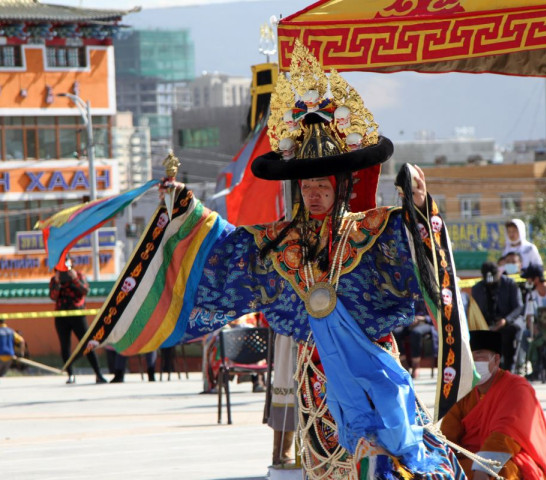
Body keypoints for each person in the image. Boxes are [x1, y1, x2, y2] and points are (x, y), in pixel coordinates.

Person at [76, 43, 472, 480]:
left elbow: (415, 243)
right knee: (329, 464)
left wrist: (417, 204)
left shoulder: (373, 230)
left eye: (323, 185)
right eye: (307, 187)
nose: (314, 193)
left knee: (391, 463)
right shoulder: (278, 242)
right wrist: (184, 207)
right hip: (315, 371)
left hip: (373, 361)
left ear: (341, 186)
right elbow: (222, 247)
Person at [441, 330, 546, 479]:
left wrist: (484, 468)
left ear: (496, 359)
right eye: (469, 357)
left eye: (479, 355)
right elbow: (448, 434)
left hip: (508, 458)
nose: (473, 361)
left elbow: (507, 433)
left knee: (501, 472)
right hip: (471, 458)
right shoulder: (464, 390)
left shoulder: (516, 387)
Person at [49, 255, 106, 384]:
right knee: (65, 346)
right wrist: (57, 282)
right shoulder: (54, 279)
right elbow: (53, 296)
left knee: (87, 343)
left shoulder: (79, 275)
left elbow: (85, 291)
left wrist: (74, 279)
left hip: (78, 314)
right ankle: (70, 375)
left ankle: (98, 374)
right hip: (61, 316)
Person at [471, 261, 523, 371]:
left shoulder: (510, 284)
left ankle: (508, 368)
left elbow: (518, 307)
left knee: (507, 335)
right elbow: (476, 311)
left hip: (507, 323)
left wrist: (505, 320)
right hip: (486, 324)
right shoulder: (477, 289)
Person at [393, 301, 437, 379]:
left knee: (416, 333)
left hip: (426, 323)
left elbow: (437, 315)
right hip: (409, 321)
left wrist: (422, 319)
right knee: (396, 332)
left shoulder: (430, 295)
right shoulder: (411, 292)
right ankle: (403, 362)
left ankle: (415, 364)